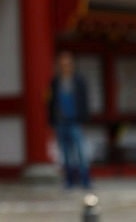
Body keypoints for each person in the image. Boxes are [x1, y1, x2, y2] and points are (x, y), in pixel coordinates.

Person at [48, 51, 92, 189]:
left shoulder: (78, 81)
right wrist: (52, 120)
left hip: (75, 121)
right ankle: (69, 181)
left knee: (80, 152)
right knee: (65, 154)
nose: (65, 67)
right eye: (62, 64)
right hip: (61, 121)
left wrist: (84, 119)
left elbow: (84, 101)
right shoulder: (56, 82)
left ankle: (85, 180)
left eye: (67, 64)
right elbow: (51, 102)